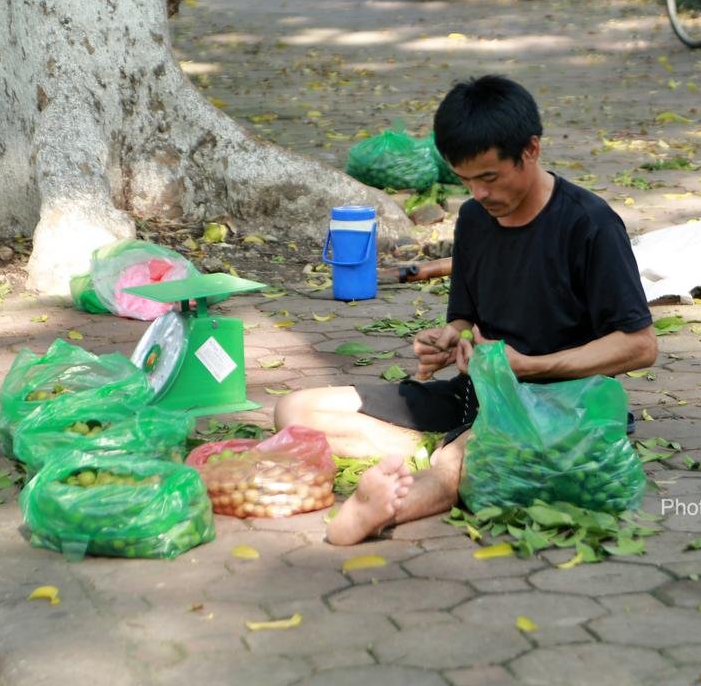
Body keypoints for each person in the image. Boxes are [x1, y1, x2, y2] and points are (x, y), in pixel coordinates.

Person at [274, 75, 657, 545]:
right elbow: (464, 318)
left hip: (560, 408)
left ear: (531, 150)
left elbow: (640, 346)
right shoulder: (476, 219)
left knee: (463, 464)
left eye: (490, 177)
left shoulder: (590, 224)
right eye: (465, 179)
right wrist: (448, 336)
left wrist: (533, 366)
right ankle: (451, 444)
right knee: (296, 409)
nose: (477, 193)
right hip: (477, 394)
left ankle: (381, 508)